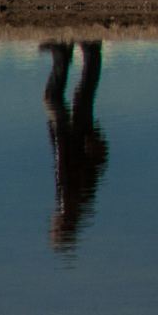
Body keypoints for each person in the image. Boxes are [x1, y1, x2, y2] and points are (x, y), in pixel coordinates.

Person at [41, 39, 108, 254]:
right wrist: (58, 130)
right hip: (72, 138)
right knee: (55, 99)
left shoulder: (79, 205)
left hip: (77, 140)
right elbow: (64, 162)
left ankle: (83, 51)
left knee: (81, 97)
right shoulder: (70, 203)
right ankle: (67, 53)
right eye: (55, 229)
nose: (52, 224)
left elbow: (92, 170)